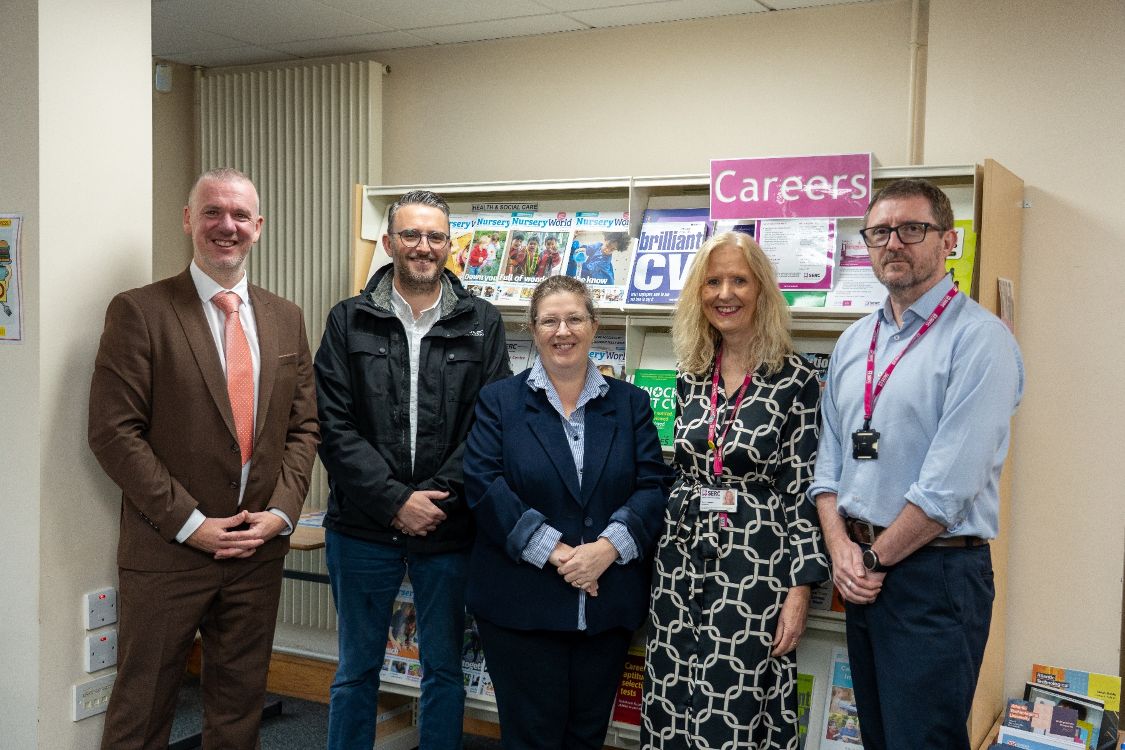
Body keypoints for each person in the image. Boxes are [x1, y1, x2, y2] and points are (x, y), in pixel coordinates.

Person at [88, 167, 320, 749]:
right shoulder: (140, 311)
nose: (227, 226)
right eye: (213, 212)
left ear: (259, 227)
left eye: (240, 215)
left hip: (255, 549)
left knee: (238, 712)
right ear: (189, 220)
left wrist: (281, 515)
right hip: (169, 551)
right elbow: (114, 432)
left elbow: (303, 428)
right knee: (142, 711)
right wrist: (192, 525)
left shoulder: (284, 317)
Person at [808, 178, 1024, 750]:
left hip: (935, 577)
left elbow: (949, 488)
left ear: (948, 241)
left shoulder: (981, 341)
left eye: (912, 229)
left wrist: (873, 558)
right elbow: (827, 463)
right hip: (861, 570)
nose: (893, 244)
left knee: (922, 741)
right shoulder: (855, 341)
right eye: (880, 232)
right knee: (878, 737)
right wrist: (843, 552)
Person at [314, 189, 510, 750]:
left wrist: (436, 499)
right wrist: (396, 501)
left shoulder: (482, 322)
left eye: (435, 236)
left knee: (443, 672)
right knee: (356, 671)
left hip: (449, 528)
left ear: (450, 245)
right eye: (411, 235)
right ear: (389, 242)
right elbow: (333, 425)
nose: (423, 247)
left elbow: (488, 425)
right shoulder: (348, 322)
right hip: (361, 527)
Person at [463, 276, 671, 750]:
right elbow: (484, 486)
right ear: (532, 329)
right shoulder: (499, 402)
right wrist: (559, 555)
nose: (563, 331)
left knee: (586, 735)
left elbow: (653, 486)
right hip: (521, 607)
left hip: (606, 606)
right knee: (531, 737)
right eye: (550, 320)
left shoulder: (631, 403)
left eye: (574, 318)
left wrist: (604, 550)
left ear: (594, 326)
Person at [642, 231, 829, 750]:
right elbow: (680, 468)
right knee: (672, 684)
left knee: (739, 694)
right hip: (680, 557)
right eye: (713, 281)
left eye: (739, 280)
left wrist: (800, 591)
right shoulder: (689, 374)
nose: (725, 293)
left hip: (756, 566)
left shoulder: (796, 381)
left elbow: (801, 492)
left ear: (762, 290)